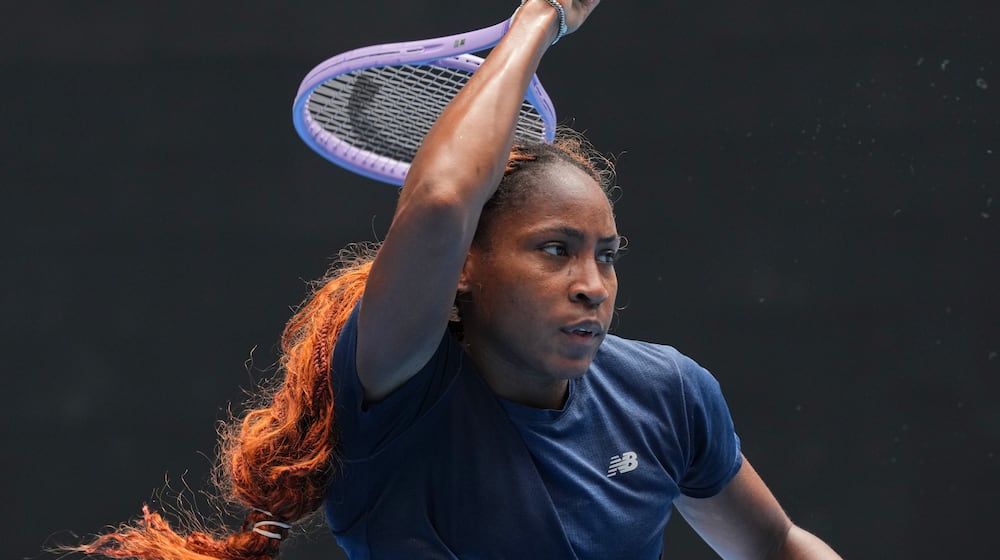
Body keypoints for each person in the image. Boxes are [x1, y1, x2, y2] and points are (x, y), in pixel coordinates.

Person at [69, 0, 841, 558]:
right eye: (553, 250)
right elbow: (440, 199)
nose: (592, 284)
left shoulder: (667, 394)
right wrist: (541, 17)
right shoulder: (396, 398)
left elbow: (774, 544)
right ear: (463, 267)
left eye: (605, 254)